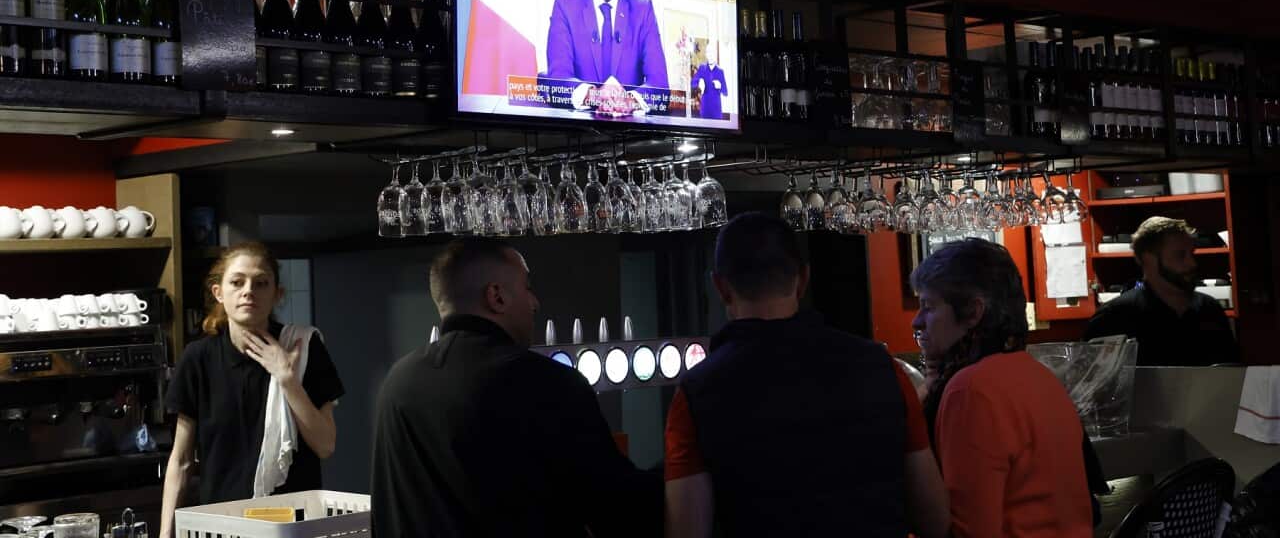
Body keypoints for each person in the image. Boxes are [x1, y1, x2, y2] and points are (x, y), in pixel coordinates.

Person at [664, 213, 950, 538]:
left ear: (720, 287)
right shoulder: (884, 369)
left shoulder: (694, 394)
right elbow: (935, 521)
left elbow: (687, 529)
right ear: (803, 280)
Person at [371, 237, 660, 537]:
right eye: (527, 287)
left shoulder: (396, 385)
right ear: (497, 296)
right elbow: (620, 509)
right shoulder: (546, 383)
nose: (535, 302)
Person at [911, 238, 1093, 538]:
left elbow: (969, 532)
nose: (917, 322)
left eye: (928, 307)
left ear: (972, 312)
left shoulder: (971, 389)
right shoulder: (1037, 374)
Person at [160, 243, 343, 538]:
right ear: (219, 292)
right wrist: (165, 534)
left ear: (277, 294)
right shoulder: (198, 359)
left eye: (261, 283)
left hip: (291, 526)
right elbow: (181, 461)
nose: (249, 291)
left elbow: (325, 445)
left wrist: (286, 378)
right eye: (237, 282)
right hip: (221, 526)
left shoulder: (304, 348)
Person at [1083, 216, 1239, 366]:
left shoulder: (1210, 309)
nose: (1192, 263)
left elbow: (1231, 375)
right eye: (1180, 255)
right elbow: (1094, 386)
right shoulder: (1113, 319)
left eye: (1191, 253)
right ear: (1148, 259)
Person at [692, 51, 728, 120]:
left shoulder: (720, 71)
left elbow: (725, 92)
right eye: (709, 54)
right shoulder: (702, 68)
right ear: (707, 55)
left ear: (715, 56)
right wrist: (699, 83)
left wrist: (720, 86)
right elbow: (693, 83)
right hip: (705, 109)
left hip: (716, 110)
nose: (710, 57)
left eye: (712, 55)